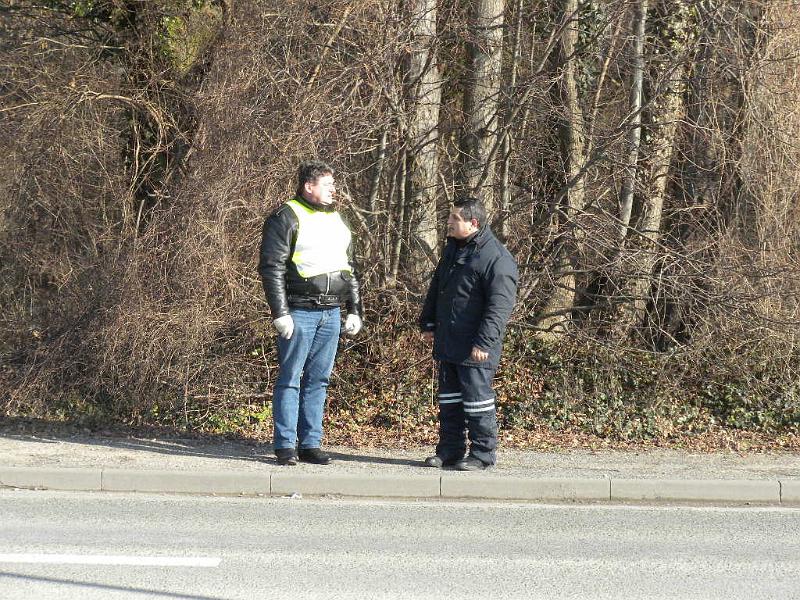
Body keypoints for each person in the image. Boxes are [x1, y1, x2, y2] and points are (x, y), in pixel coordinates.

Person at [258, 159, 362, 466]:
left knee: (319, 379)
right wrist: (280, 312)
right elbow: (272, 267)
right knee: (291, 378)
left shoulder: (337, 219)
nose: (333, 190)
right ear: (308, 186)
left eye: (333, 184)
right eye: (327, 185)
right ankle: (285, 445)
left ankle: (310, 444)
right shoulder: (285, 216)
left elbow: (349, 267)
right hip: (300, 310)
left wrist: (354, 309)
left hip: (331, 312)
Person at [419, 197, 518, 471]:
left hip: (476, 346)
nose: (449, 222)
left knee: (477, 402)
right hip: (449, 340)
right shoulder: (453, 249)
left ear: (473, 223)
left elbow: (499, 306)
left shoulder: (496, 258)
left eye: (455, 218)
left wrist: (484, 342)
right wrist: (428, 322)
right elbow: (438, 287)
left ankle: (482, 455)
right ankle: (450, 451)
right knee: (449, 401)